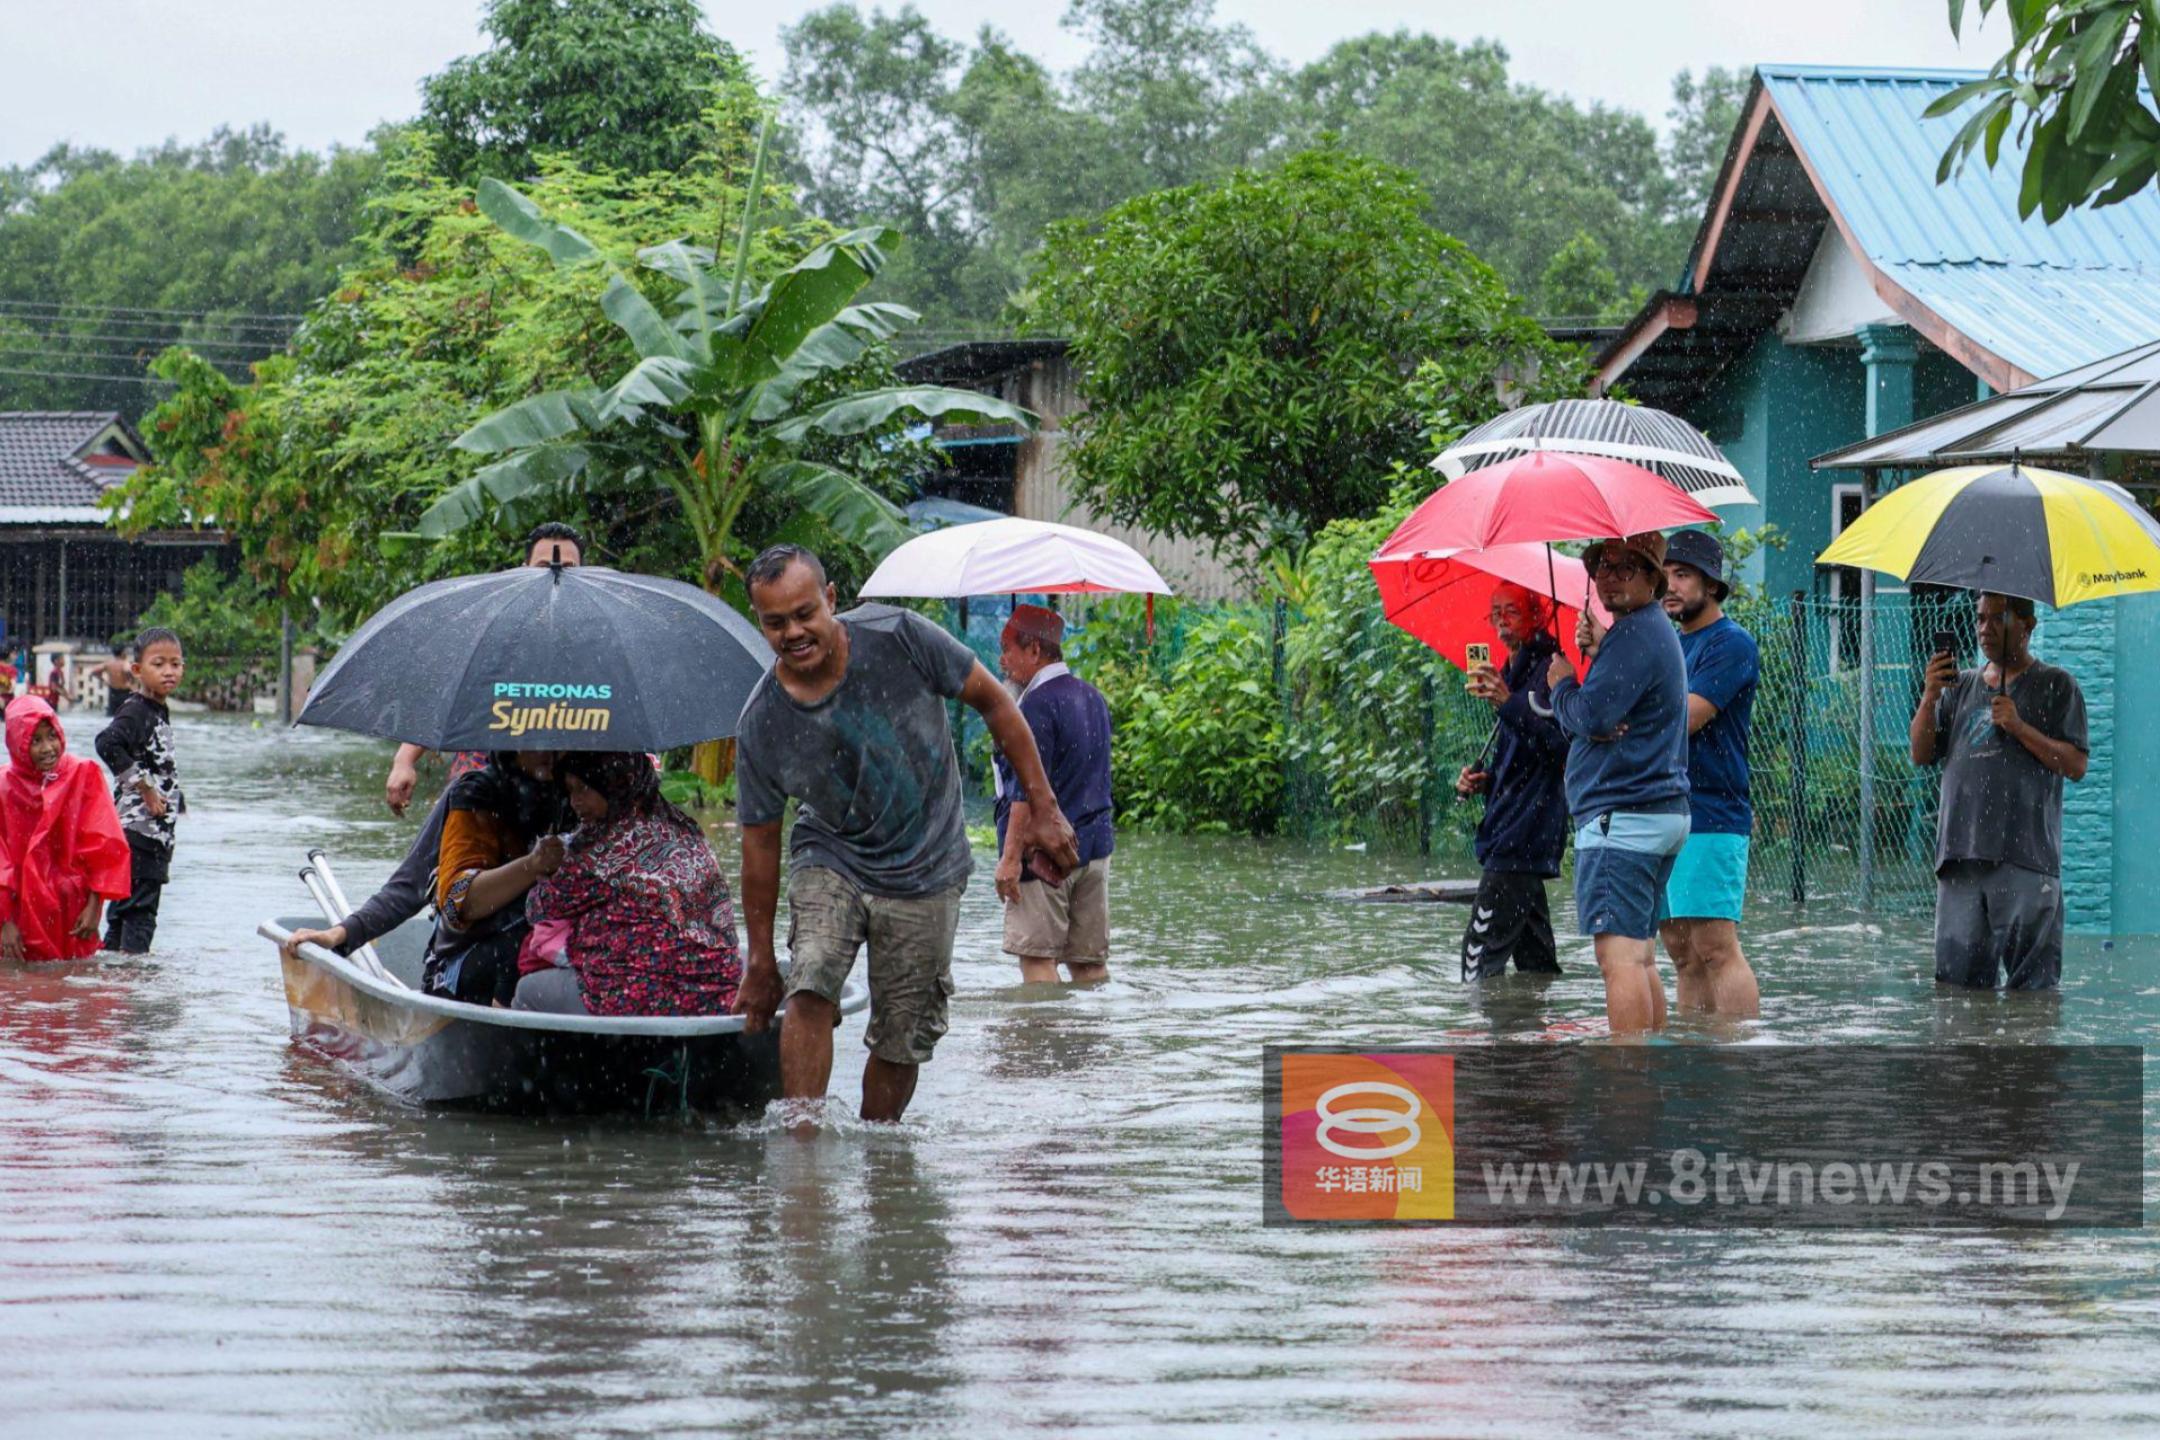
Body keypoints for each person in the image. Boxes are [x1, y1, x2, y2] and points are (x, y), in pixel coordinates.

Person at [732, 545, 1080, 1125]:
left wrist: (1042, 806)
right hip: (831, 853)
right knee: (810, 981)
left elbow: (995, 701)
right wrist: (762, 958)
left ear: (832, 601)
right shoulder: (763, 722)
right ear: (761, 624)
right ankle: (801, 1152)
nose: (794, 632)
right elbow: (759, 848)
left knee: (902, 1034)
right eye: (775, 623)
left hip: (927, 862)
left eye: (804, 614)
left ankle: (880, 1153)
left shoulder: (900, 636)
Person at [1546, 534, 1691, 1036]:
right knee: (1643, 957)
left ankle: (1626, 1079)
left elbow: (1592, 714)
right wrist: (1600, 654)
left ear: (1653, 578)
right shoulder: (1647, 631)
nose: (1609, 576)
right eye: (1603, 566)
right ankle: (1647, 1069)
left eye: (1626, 568)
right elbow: (1605, 715)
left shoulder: (1634, 635)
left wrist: (1563, 683)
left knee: (1620, 959)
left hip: (1623, 815)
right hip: (1657, 811)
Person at [1910, 592, 2087, 991]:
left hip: (2025, 860)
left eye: (1997, 619)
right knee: (1957, 996)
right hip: (1961, 859)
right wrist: (1929, 696)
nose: (1985, 629)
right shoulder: (1960, 687)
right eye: (1980, 619)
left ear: (2027, 625)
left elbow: (2075, 765)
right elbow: (1921, 754)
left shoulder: (2057, 686)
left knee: (2033, 996)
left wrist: (2019, 727)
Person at [511, 751, 742, 1016]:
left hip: (634, 997)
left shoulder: (598, 850)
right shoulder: (686, 831)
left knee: (528, 991)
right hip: (715, 992)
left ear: (615, 784)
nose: (575, 802)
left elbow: (540, 907)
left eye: (584, 789)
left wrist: (546, 864)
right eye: (571, 791)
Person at [382, 521, 586, 817]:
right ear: (524, 568)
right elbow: (446, 695)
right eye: (543, 566)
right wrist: (404, 762)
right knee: (466, 794)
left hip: (568, 767)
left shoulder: (598, 634)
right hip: (488, 764)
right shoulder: (493, 627)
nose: (555, 575)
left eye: (568, 567)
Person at [1656, 530, 1762, 1019]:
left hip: (1714, 812)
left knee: (1716, 946)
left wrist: (1629, 711)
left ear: (1713, 585)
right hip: (1665, 809)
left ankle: (1735, 1058)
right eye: (1665, 576)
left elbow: (1689, 716)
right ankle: (1694, 1056)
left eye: (1683, 575)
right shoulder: (1671, 644)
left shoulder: (1732, 643)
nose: (1670, 586)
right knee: (1681, 954)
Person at [992, 604, 1115, 984]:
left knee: (1037, 960)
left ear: (1034, 651)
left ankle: (1044, 1042)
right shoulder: (1092, 697)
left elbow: (1024, 793)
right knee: (1089, 965)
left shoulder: (1034, 705)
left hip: (1044, 856)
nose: (1002, 661)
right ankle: (1086, 1043)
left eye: (1008, 649)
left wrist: (1010, 860)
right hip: (1094, 852)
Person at [1455, 582, 1570, 980]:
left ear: (1536, 616)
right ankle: (1536, 1041)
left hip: (1522, 837)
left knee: (1476, 966)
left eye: (1512, 612)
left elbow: (1562, 749)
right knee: (1537, 968)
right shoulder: (1515, 672)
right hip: (1518, 834)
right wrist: (1484, 782)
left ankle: (1480, 1045)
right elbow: (1525, 761)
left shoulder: (1553, 674)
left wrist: (1509, 702)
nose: (1502, 623)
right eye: (1495, 613)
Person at [426, 750, 568, 1005]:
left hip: (553, 949)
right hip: (473, 954)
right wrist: (533, 864)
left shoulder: (576, 788)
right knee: (520, 934)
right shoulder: (477, 793)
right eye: (538, 742)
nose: (551, 752)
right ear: (513, 745)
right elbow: (456, 902)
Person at [0, 697, 133, 962]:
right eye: (34, 740)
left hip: (72, 907)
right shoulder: (4, 788)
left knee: (74, 984)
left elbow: (104, 844)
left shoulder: (83, 774)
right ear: (17, 743)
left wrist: (95, 907)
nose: (48, 748)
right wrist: (4, 922)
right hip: (19, 909)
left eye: (52, 736)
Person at [95, 628, 187, 954]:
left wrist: (177, 799)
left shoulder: (156, 709)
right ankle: (134, 993)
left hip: (141, 834)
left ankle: (110, 989)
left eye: (175, 664)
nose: (168, 671)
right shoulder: (138, 710)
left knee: (123, 912)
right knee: (141, 914)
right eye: (158, 663)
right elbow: (107, 743)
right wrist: (146, 787)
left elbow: (156, 760)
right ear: (137, 670)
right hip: (140, 833)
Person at [103, 649, 134, 718]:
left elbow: (94, 671)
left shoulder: (109, 663)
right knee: (125, 715)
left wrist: (103, 680)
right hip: (124, 692)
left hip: (112, 692)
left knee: (111, 716)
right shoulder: (124, 663)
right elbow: (127, 670)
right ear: (122, 652)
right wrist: (131, 680)